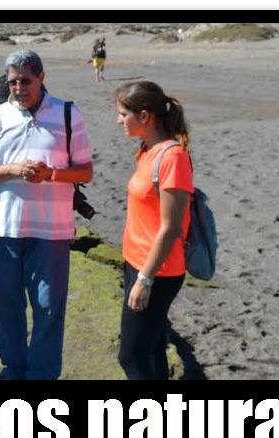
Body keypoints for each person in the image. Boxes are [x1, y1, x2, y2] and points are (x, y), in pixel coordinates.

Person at [0, 50, 94, 380]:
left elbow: (85, 171)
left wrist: (51, 175)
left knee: (48, 306)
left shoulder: (68, 113)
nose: (19, 88)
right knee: (5, 304)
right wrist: (15, 169)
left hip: (53, 231)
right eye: (13, 81)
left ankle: (42, 373)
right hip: (5, 229)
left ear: (41, 77)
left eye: (25, 80)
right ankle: (14, 369)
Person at [113, 80, 194, 380]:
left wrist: (144, 280)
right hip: (136, 262)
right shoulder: (148, 150)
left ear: (145, 116)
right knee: (153, 350)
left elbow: (170, 228)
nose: (119, 120)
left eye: (123, 114)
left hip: (157, 271)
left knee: (131, 357)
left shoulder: (172, 157)